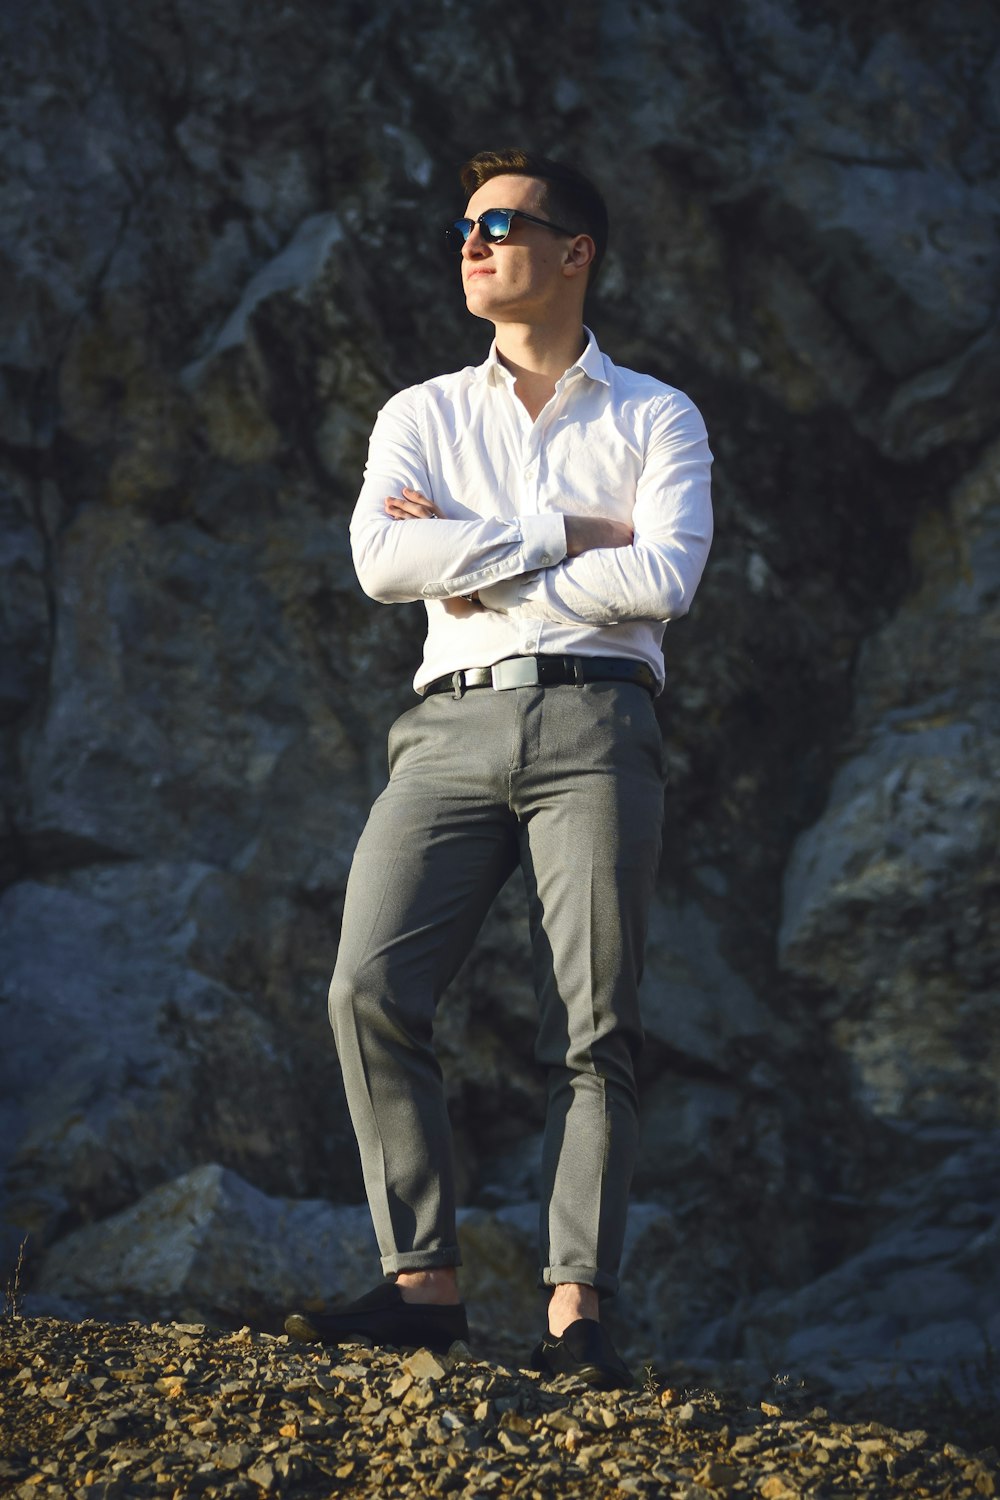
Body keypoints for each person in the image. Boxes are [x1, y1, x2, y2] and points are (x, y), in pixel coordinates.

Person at [285, 148, 713, 1389]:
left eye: (500, 223)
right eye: (464, 226)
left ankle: (578, 1312)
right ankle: (422, 1292)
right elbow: (378, 563)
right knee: (365, 988)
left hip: (598, 726)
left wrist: (472, 563)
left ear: (574, 252)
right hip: (446, 730)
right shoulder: (419, 411)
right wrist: (568, 533)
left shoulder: (656, 415)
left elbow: (666, 579)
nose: (470, 242)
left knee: (593, 1029)